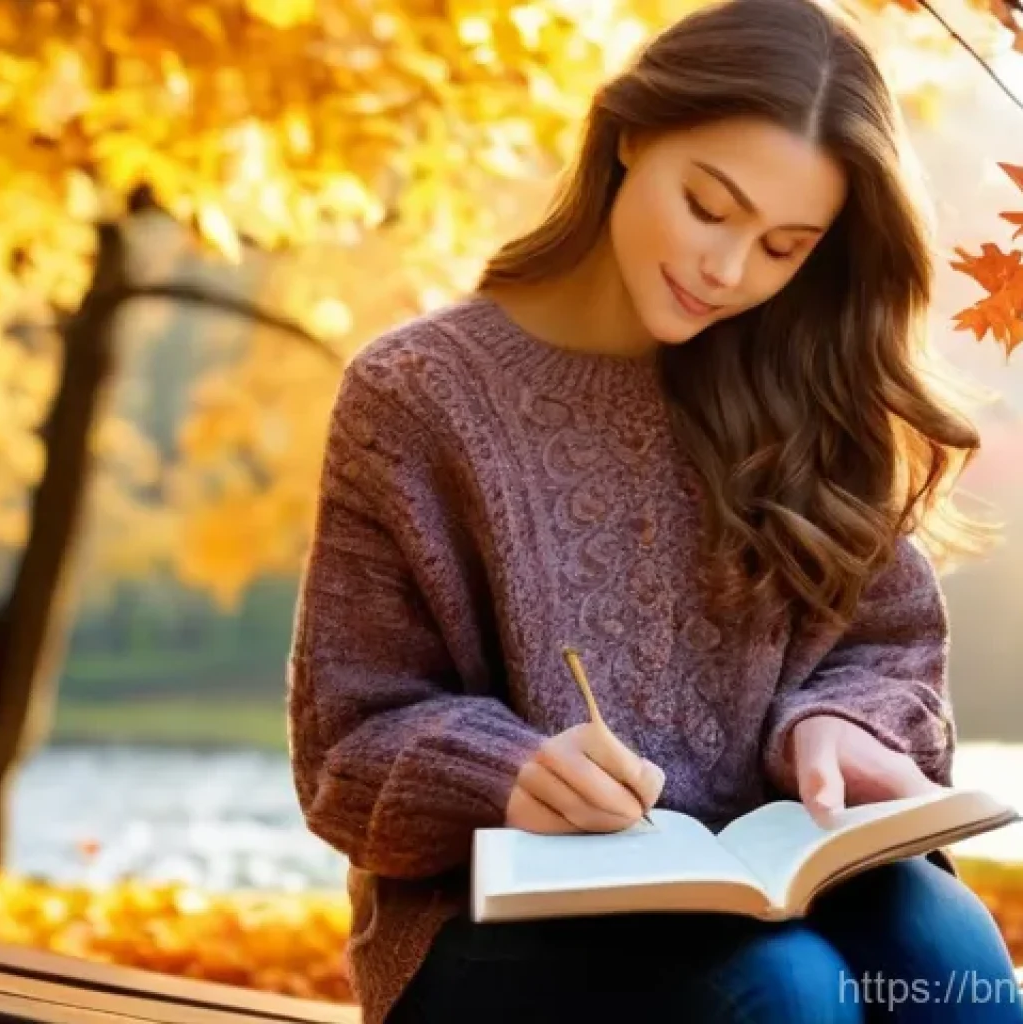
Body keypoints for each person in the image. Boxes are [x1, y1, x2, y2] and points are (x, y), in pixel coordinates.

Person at [286, 0, 1021, 1020]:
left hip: (780, 886)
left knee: (948, 951)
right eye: (708, 206)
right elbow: (346, 750)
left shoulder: (804, 380)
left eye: (784, 245)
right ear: (631, 134)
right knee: (788, 988)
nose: (728, 269)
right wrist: (507, 772)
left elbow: (886, 648)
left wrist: (841, 724)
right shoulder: (414, 398)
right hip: (489, 936)